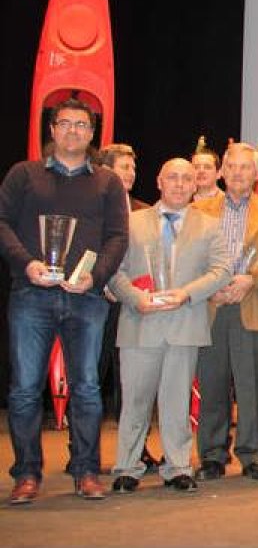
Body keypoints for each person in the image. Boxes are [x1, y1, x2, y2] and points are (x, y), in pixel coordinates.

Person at [1, 98, 130, 504]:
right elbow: (2, 223)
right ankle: (26, 473)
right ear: (52, 130)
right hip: (31, 295)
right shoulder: (24, 175)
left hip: (86, 298)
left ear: (92, 134)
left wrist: (97, 276)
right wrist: (27, 266)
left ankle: (87, 470)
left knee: (88, 388)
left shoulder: (107, 182)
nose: (74, 131)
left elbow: (117, 237)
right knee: (24, 390)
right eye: (66, 124)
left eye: (82, 125)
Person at [108, 158, 231, 494]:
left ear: (195, 185)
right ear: (159, 181)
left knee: (177, 401)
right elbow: (113, 270)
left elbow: (221, 271)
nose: (179, 184)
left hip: (184, 323)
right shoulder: (130, 222)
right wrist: (134, 297)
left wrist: (187, 294)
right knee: (135, 401)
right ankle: (127, 467)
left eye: (187, 179)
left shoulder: (210, 225)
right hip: (140, 322)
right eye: (172, 178)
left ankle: (177, 466)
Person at [193, 142, 258, 483]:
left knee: (255, 388)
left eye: (245, 167)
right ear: (222, 171)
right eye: (232, 166)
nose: (238, 173)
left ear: (256, 172)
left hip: (254, 304)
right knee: (213, 384)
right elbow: (190, 255)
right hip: (212, 306)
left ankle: (254, 455)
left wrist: (251, 279)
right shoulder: (200, 209)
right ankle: (211, 455)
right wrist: (210, 286)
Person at [96, 143, 162, 473]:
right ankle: (84, 449)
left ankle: (137, 447)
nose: (131, 173)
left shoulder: (144, 210)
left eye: (133, 168)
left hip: (135, 305)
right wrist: (106, 284)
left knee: (133, 382)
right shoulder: (93, 206)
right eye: (124, 167)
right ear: (105, 170)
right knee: (94, 375)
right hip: (99, 303)